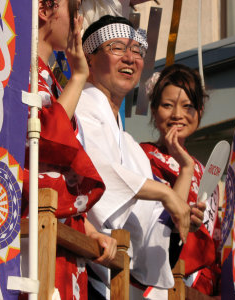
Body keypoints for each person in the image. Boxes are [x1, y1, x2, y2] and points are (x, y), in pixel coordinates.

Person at [75, 15, 205, 299]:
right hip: (77, 262)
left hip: (112, 276)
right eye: (117, 48)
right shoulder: (78, 107)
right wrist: (164, 193)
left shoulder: (131, 146)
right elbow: (97, 172)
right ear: (89, 57)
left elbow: (150, 230)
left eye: (137, 51)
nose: (130, 58)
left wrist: (180, 215)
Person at [20, 1, 117, 299]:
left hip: (59, 227)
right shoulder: (19, 70)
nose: (79, 22)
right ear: (44, 10)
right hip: (30, 226)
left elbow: (59, 170)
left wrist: (88, 231)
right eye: (74, 12)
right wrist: (78, 77)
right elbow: (44, 139)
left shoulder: (49, 81)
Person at [140, 64, 221, 296]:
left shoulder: (208, 173)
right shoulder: (141, 157)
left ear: (200, 112)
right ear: (154, 110)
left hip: (200, 289)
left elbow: (215, 242)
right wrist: (185, 168)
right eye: (167, 105)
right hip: (159, 281)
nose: (178, 115)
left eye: (188, 107)